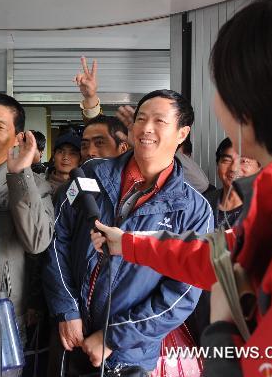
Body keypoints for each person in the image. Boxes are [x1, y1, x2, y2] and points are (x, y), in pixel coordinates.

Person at [91, 0, 272, 375]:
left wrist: (221, 328)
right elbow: (217, 255)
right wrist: (126, 243)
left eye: (222, 87)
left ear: (253, 101)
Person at [43, 89, 213, 376]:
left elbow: (179, 296)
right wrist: (67, 309)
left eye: (159, 121)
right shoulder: (90, 174)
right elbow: (56, 236)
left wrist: (113, 337)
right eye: (141, 119)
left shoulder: (193, 211)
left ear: (182, 133)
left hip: (129, 355)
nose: (146, 128)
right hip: (70, 337)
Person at [0, 93, 54, 343]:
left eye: (0, 126)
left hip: (0, 309)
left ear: (18, 137)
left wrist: (19, 175)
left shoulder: (35, 185)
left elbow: (37, 241)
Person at [76, 56, 210, 193]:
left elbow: (199, 184)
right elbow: (99, 129)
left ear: (124, 147)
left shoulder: (144, 172)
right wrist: (90, 98)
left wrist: (152, 147)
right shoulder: (84, 181)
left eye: (159, 120)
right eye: (141, 119)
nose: (90, 152)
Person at [205, 138, 261, 230]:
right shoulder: (202, 203)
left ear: (259, 167)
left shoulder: (267, 209)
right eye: (227, 160)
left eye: (244, 161)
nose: (234, 168)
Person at [46, 131, 81, 200]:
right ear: (53, 157)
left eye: (73, 153)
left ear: (80, 160)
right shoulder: (39, 182)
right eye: (61, 152)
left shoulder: (84, 186)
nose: (65, 157)